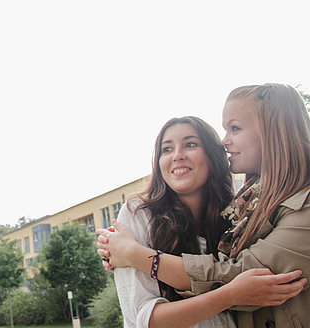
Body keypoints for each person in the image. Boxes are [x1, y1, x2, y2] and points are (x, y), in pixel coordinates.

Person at [97, 83, 310, 328]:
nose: (224, 141)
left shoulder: (235, 213)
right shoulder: (138, 215)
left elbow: (238, 275)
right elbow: (144, 318)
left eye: (191, 144)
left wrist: (137, 255)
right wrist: (121, 251)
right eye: (166, 149)